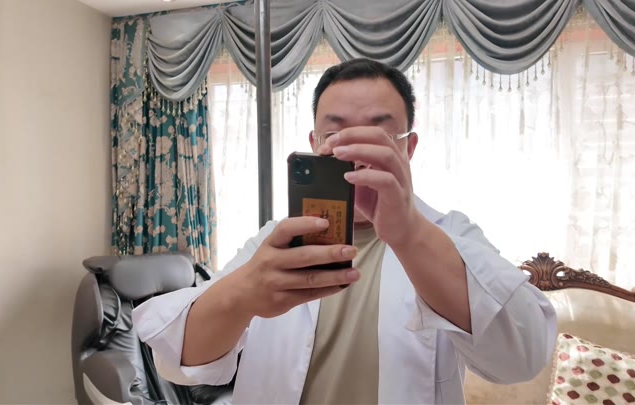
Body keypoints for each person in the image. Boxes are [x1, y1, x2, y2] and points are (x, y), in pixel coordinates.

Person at [133, 58, 557, 404]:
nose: (355, 150)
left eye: (377, 133)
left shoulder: (449, 235)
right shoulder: (276, 241)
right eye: (336, 133)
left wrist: (409, 234)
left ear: (408, 148)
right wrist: (243, 293)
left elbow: (522, 355)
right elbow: (180, 359)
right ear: (315, 142)